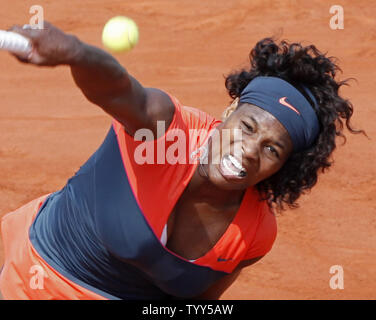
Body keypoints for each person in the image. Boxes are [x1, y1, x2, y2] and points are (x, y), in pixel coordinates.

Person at [0, 22, 364, 300]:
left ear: (286, 166)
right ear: (231, 110)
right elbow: (117, 89)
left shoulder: (255, 233)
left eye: (273, 150)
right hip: (33, 272)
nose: (251, 150)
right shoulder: (163, 129)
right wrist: (74, 52)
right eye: (248, 126)